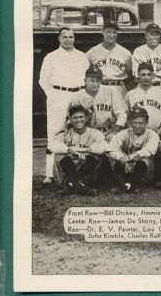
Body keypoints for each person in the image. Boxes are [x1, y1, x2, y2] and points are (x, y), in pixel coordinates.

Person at [39, 27, 89, 184]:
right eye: (65, 37)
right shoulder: (51, 57)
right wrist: (53, 95)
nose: (68, 40)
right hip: (58, 95)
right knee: (55, 132)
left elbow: (86, 78)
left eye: (71, 37)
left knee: (79, 129)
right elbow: (43, 80)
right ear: (59, 39)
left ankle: (80, 170)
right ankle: (50, 174)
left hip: (77, 94)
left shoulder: (82, 56)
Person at [49, 105, 108, 196]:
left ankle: (73, 185)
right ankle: (80, 186)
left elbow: (104, 146)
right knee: (59, 155)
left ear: (86, 118)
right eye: (75, 118)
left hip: (87, 173)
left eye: (81, 117)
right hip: (67, 172)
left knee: (97, 155)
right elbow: (53, 146)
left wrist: (84, 150)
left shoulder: (95, 132)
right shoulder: (65, 133)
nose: (78, 120)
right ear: (70, 119)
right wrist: (70, 151)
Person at [66, 67, 127, 142]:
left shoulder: (111, 91)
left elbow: (122, 114)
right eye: (92, 80)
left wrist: (115, 131)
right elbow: (72, 120)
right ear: (85, 81)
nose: (95, 84)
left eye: (98, 81)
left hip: (109, 132)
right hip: (88, 134)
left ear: (101, 81)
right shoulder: (77, 97)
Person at [108, 107, 160, 194]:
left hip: (144, 170)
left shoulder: (152, 134)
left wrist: (131, 157)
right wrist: (121, 157)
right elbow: (111, 147)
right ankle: (124, 185)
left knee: (143, 161)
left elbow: (149, 150)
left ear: (146, 123)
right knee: (115, 160)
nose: (137, 126)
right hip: (126, 166)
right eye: (134, 122)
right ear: (130, 122)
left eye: (141, 123)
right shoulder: (125, 133)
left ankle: (136, 185)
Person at [125, 62, 161, 138]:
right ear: (138, 75)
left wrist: (159, 132)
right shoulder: (130, 94)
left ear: (153, 76)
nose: (146, 77)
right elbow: (125, 115)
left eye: (149, 74)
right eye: (143, 74)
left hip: (157, 133)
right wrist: (132, 131)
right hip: (136, 135)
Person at [86, 21, 132, 99]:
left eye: (114, 32)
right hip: (100, 87)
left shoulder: (125, 53)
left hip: (119, 87)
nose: (111, 35)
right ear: (103, 32)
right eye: (108, 32)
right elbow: (86, 72)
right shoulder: (92, 52)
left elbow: (130, 73)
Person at [131, 23, 161, 100]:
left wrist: (150, 72)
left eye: (157, 34)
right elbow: (136, 75)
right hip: (144, 88)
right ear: (146, 35)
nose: (155, 37)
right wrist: (159, 69)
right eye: (152, 34)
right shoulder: (139, 51)